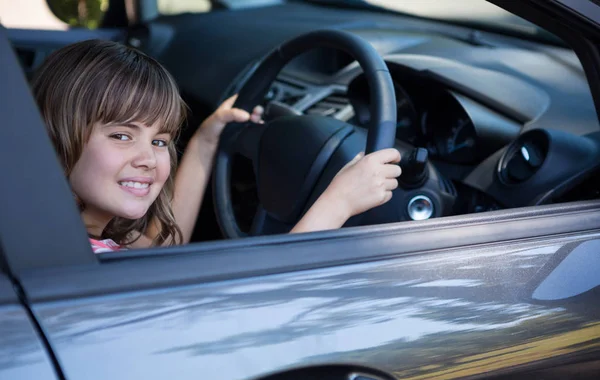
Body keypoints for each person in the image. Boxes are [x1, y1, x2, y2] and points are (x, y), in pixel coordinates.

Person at [31, 39, 401, 253]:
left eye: (160, 140)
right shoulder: (79, 266)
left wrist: (207, 141)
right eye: (122, 136)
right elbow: (262, 296)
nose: (148, 159)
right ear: (56, 136)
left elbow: (158, 254)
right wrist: (339, 202)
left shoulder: (70, 239)